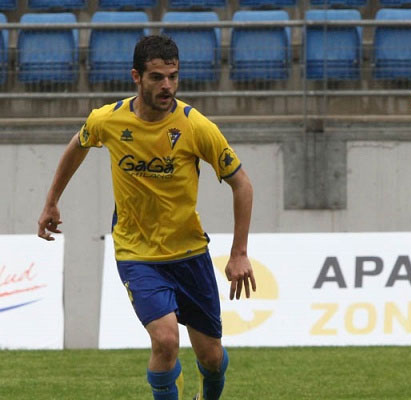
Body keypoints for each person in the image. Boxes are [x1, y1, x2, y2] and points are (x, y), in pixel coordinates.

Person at [37, 35, 256, 400]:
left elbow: (243, 185)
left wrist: (239, 253)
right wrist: (51, 202)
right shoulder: (108, 120)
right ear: (136, 76)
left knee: (212, 359)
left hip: (189, 252)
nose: (167, 85)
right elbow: (79, 143)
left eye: (173, 76)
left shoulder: (195, 126)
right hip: (137, 253)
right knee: (166, 341)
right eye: (157, 77)